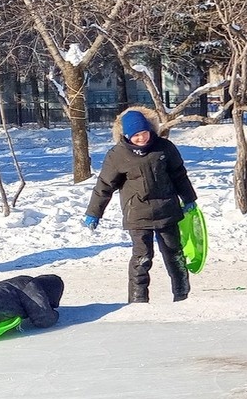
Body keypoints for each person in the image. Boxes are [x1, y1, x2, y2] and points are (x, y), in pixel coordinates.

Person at [84, 106, 197, 303]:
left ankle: (182, 294)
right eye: (136, 135)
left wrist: (189, 199)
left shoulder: (164, 148)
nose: (141, 138)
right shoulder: (117, 155)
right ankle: (137, 300)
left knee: (174, 254)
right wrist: (94, 212)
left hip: (167, 211)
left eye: (144, 133)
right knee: (142, 258)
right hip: (137, 214)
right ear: (127, 135)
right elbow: (104, 186)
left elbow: (179, 175)